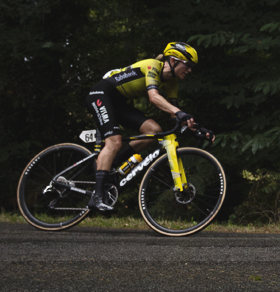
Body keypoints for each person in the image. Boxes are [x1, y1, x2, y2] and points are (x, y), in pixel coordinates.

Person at [84, 42, 207, 212]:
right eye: (188, 65)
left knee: (154, 131)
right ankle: (96, 197)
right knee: (114, 142)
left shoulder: (172, 83)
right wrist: (179, 113)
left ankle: (113, 163)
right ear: (172, 61)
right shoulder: (152, 65)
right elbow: (154, 97)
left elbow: (174, 114)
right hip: (101, 94)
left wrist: (197, 127)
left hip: (118, 103)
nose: (190, 70)